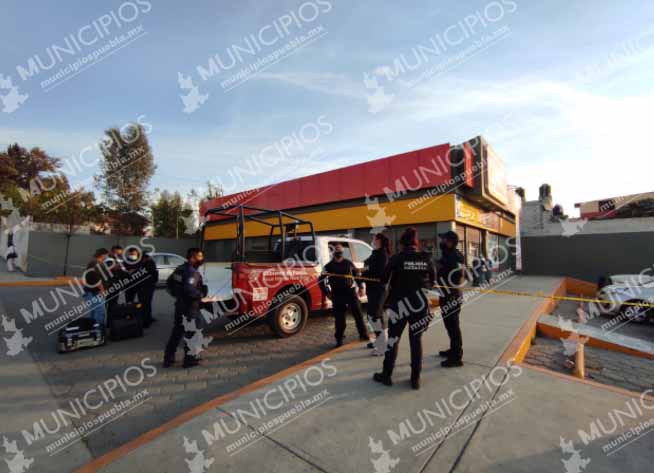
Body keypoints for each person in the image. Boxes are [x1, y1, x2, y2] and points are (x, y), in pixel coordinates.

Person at [373, 228, 435, 390]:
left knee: (393, 340)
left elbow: (384, 279)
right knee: (416, 341)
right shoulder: (426, 258)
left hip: (399, 305)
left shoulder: (396, 258)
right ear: (416, 243)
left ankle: (386, 375)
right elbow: (432, 282)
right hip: (419, 305)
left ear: (402, 243)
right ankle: (415, 379)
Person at [164, 248, 207, 368]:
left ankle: (168, 358)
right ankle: (190, 360)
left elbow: (169, 285)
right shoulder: (191, 272)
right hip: (190, 307)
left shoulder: (179, 269)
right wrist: (201, 295)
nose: (202, 259)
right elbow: (189, 289)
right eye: (200, 256)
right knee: (193, 333)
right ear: (192, 258)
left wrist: (178, 296)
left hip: (180, 306)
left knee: (177, 333)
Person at [319, 244, 369, 348]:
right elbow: (320, 280)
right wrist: (327, 292)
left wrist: (361, 287)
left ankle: (363, 334)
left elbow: (356, 275)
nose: (339, 251)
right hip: (337, 294)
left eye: (340, 249)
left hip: (350, 292)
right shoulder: (328, 266)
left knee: (358, 314)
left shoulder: (348, 263)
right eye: (337, 249)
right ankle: (339, 339)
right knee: (339, 319)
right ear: (333, 252)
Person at [436, 230, 465, 368]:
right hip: (446, 294)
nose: (441, 242)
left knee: (453, 326)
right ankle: (453, 350)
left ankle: (457, 357)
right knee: (449, 325)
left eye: (444, 240)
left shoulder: (454, 256)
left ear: (450, 242)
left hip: (451, 296)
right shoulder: (449, 255)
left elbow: (458, 275)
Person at [363, 233, 390, 356]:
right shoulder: (375, 253)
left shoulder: (383, 255)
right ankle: (379, 341)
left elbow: (379, 272)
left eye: (374, 239)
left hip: (378, 290)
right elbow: (369, 267)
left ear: (379, 240)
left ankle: (382, 346)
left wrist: (364, 271)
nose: (372, 241)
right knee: (373, 315)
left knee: (375, 316)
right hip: (371, 289)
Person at [82, 248, 110, 328]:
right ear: (102, 255)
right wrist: (102, 290)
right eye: (106, 255)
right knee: (99, 311)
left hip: (93, 291)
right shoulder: (95, 263)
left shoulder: (97, 263)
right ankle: (98, 328)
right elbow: (96, 278)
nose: (107, 256)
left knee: (94, 310)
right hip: (95, 292)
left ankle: (92, 328)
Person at [138, 251, 159, 327]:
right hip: (145, 287)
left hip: (146, 287)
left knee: (145, 304)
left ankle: (146, 321)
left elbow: (148, 275)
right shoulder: (144, 263)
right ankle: (147, 319)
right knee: (146, 304)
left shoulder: (149, 264)